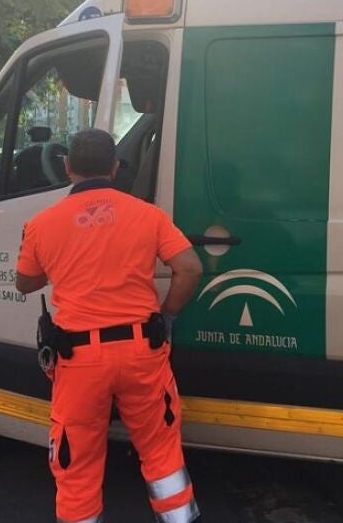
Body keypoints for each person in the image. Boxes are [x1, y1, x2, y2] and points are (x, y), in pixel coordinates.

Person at [14, 128, 204, 523]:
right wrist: (166, 317)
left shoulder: (42, 224)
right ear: (115, 167)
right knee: (162, 454)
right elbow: (189, 268)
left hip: (79, 359)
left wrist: (59, 263)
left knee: (76, 463)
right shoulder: (148, 215)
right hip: (142, 351)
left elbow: (25, 282)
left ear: (67, 166)